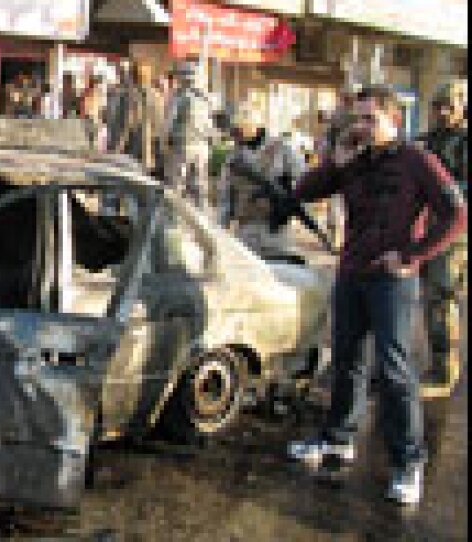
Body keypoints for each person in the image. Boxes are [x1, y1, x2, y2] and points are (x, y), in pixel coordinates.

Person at [286, 85, 467, 506]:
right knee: (347, 360)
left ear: (393, 120)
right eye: (358, 118)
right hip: (351, 273)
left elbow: (456, 214)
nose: (362, 127)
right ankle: (338, 437)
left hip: (391, 281)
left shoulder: (417, 161)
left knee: (394, 368)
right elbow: (303, 191)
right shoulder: (353, 159)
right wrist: (337, 161)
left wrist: (412, 255)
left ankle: (408, 462)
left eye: (371, 119)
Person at [418, 79, 468, 389]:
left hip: (457, 229)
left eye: (449, 106)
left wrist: (443, 191)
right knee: (432, 297)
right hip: (433, 226)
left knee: (441, 296)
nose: (443, 112)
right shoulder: (432, 139)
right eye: (438, 106)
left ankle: (444, 370)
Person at [219, 102, 305, 257]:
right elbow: (226, 195)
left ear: (253, 125)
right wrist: (220, 232)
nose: (234, 133)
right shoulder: (234, 158)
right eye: (234, 129)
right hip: (246, 229)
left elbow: (303, 182)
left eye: (238, 128)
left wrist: (288, 202)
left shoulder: (283, 149)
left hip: (275, 231)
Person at [164, 60, 217, 213]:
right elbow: (210, 125)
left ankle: (173, 218)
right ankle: (203, 222)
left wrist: (164, 141)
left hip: (183, 146)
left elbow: (169, 121)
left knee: (176, 186)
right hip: (202, 148)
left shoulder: (179, 96)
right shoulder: (205, 98)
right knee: (199, 188)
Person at [115, 62, 160, 173]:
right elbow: (159, 121)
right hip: (150, 148)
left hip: (132, 147)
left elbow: (126, 123)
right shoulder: (157, 95)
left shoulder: (129, 95)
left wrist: (118, 146)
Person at [104, 61, 132, 152]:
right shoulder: (115, 89)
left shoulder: (128, 90)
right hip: (113, 126)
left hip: (120, 126)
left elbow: (127, 113)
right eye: (120, 71)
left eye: (122, 71)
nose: (120, 74)